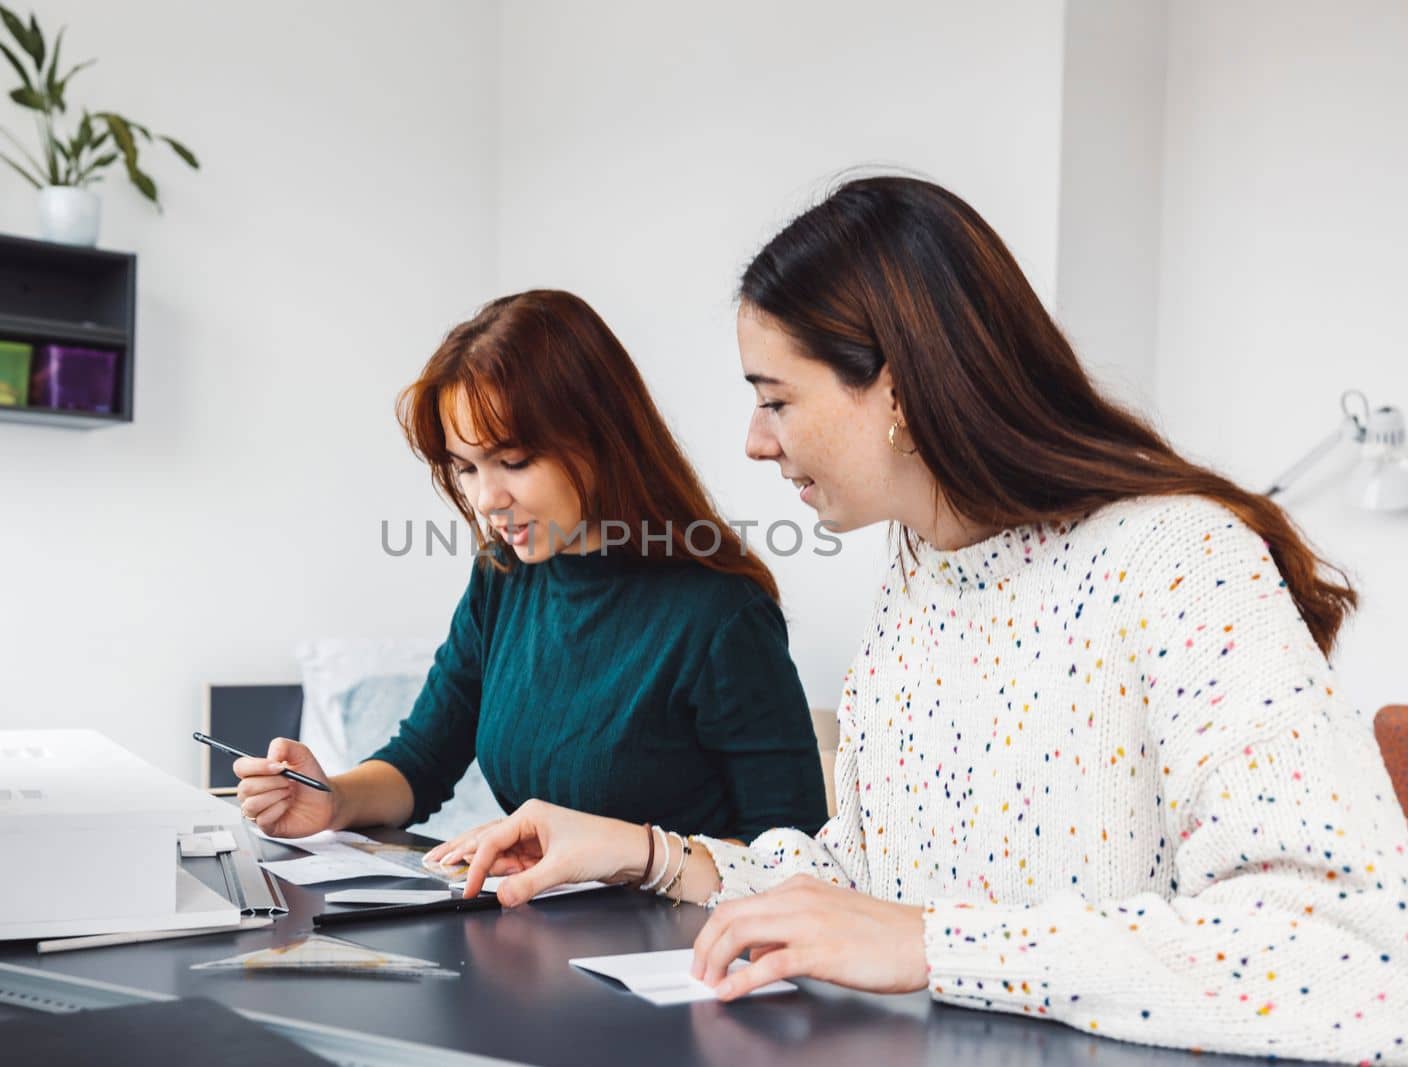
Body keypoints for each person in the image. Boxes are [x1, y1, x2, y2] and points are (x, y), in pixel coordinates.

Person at [429, 178, 1408, 1064]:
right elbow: (863, 875)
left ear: (893, 386)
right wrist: (645, 851)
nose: (754, 441)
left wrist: (930, 941)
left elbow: (1340, 956)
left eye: (775, 399)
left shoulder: (1175, 560)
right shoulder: (919, 572)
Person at [235, 289, 827, 845]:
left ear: (599, 437)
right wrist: (330, 798)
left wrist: (632, 859)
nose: (486, 497)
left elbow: (791, 852)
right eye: (465, 468)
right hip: (540, 935)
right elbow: (421, 762)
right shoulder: (503, 579)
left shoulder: (718, 614)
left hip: (673, 950)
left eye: (512, 461)